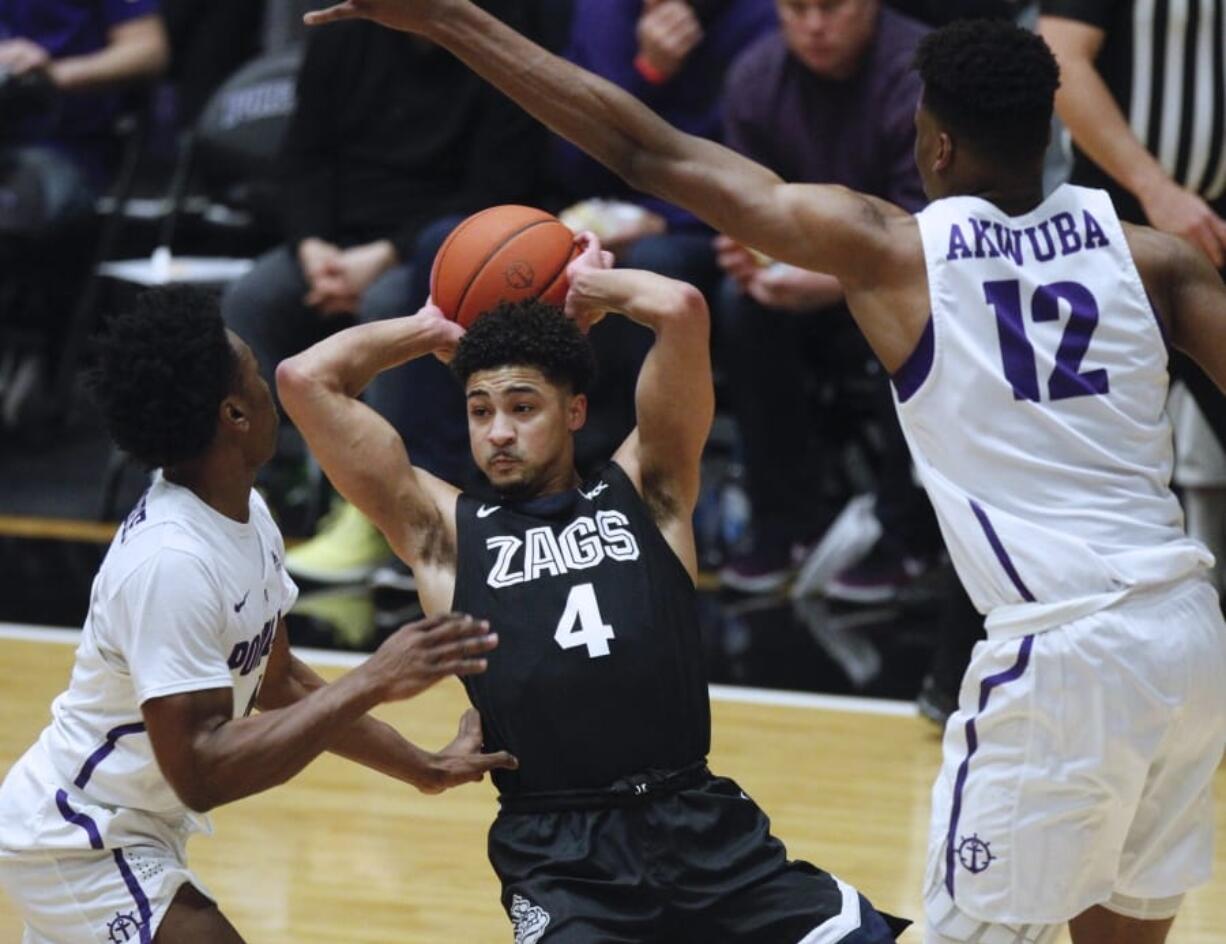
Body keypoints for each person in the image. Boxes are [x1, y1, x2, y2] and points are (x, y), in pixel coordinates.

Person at [301, 4, 1226, 942]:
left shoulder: (894, 250)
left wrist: (453, 19)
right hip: (1188, 636)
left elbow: (649, 152)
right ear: (1052, 130)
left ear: (934, 148)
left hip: (1062, 645)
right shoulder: (1160, 263)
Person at [277, 248, 909, 941]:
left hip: (703, 827)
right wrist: (431, 326)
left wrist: (587, 287)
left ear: (575, 410)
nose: (499, 432)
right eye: (479, 410)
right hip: (561, 856)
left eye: (523, 407)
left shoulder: (649, 492)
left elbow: (679, 310)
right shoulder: (445, 536)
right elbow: (306, 380)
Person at [0, 286, 512, 943]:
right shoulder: (170, 564)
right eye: (255, 375)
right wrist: (373, 678)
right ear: (235, 414)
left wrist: (425, 768)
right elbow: (201, 771)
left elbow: (279, 684)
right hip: (77, 834)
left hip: (135, 820)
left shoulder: (246, 514)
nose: (270, 387)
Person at [221, 1, 541, 584]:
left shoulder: (499, 38)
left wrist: (386, 253)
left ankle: (378, 509)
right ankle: (246, 492)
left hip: (435, 250)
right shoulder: (346, 33)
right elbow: (303, 155)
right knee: (251, 300)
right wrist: (312, 245)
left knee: (393, 306)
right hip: (335, 242)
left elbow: (497, 186)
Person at [712, 0, 938, 597]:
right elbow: (745, 205)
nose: (813, 25)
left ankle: (906, 531)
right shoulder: (755, 76)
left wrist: (836, 279)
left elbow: (936, 231)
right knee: (738, 307)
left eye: (831, 8)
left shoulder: (921, 74)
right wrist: (746, 254)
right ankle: (783, 523)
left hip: (912, 271)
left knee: (921, 313)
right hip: (805, 269)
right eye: (796, 8)